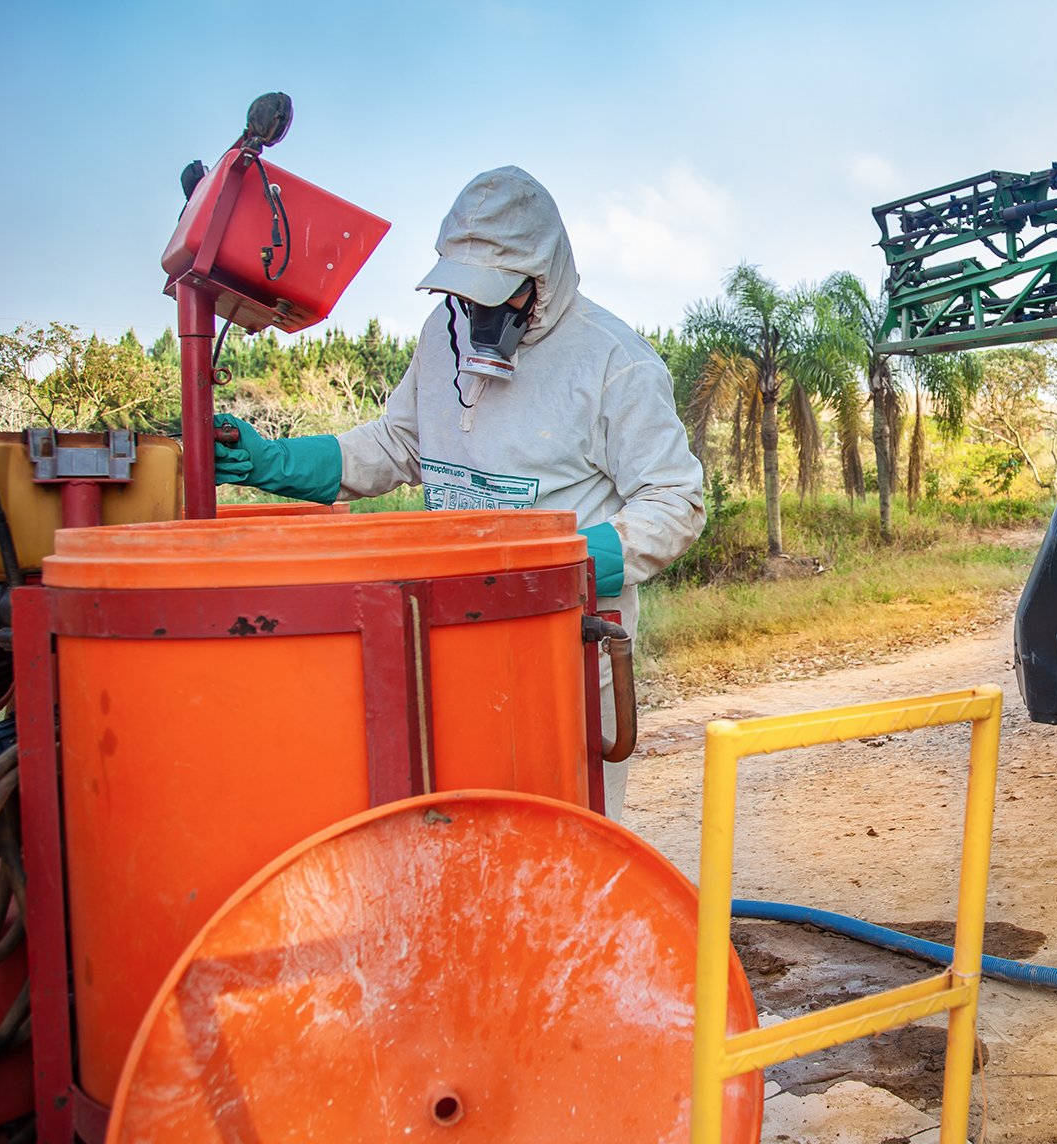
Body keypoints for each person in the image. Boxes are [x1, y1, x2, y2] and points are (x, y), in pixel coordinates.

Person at [213, 166, 704, 808]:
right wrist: (272, 462)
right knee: (454, 816)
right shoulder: (438, 342)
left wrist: (554, 563)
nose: (479, 314)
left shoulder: (614, 361)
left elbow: (675, 503)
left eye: (498, 296)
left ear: (544, 279)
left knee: (563, 824)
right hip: (448, 636)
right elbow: (398, 443)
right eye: (466, 297)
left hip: (562, 641)